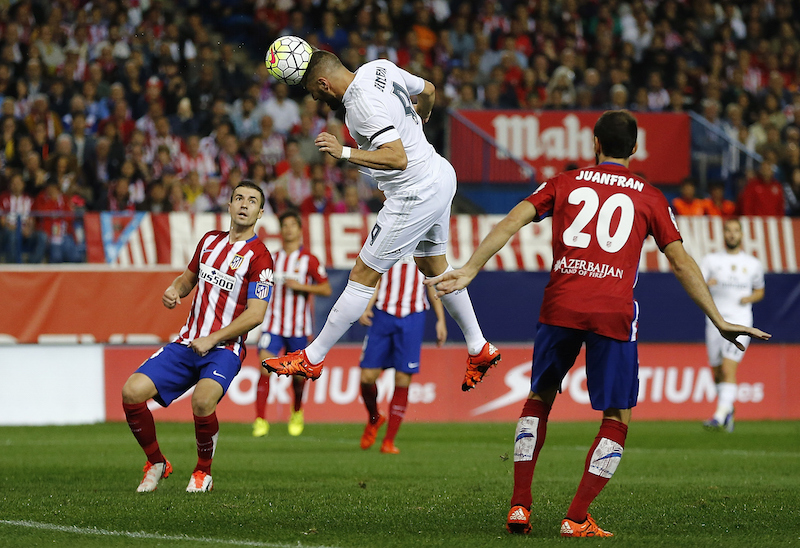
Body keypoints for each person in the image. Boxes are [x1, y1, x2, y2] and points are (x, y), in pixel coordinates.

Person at [426, 111, 771, 537]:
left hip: (561, 305)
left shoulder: (564, 182)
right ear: (635, 149)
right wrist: (718, 319)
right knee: (618, 413)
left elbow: (513, 219)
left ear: (594, 143)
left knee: (539, 397)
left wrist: (470, 268)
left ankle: (519, 506)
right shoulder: (650, 197)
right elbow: (681, 261)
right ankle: (576, 518)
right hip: (612, 311)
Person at [262, 50, 500, 391]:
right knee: (433, 266)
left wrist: (343, 152)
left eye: (314, 92)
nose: (315, 99)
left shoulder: (359, 105)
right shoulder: (379, 67)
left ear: (324, 84)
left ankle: (312, 358)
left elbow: (397, 158)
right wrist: (421, 116)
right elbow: (429, 90)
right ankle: (478, 347)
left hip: (414, 191)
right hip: (439, 172)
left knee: (363, 274)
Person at [121, 181, 274, 493]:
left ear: (260, 213)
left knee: (202, 401)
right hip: (187, 342)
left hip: (224, 349)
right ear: (229, 206)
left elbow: (256, 314)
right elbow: (187, 279)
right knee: (131, 392)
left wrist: (213, 339)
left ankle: (203, 471)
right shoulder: (209, 241)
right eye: (239, 198)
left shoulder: (260, 258)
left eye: (252, 201)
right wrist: (174, 290)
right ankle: (156, 462)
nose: (244, 205)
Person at [357, 255, 447, 454]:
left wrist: (440, 320)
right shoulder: (389, 242)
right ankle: (374, 417)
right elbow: (376, 277)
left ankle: (388, 441)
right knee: (367, 377)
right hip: (382, 313)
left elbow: (432, 283)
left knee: (403, 377)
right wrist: (367, 307)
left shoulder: (424, 247)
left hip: (413, 316)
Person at [253, 210, 331, 438]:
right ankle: (260, 420)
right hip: (273, 325)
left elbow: (326, 288)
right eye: (284, 225)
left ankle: (296, 411)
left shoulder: (309, 259)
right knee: (264, 366)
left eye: (292, 225)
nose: (288, 229)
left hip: (298, 327)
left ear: (299, 230)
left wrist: (301, 287)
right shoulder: (271, 258)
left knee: (298, 375)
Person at [700, 218, 765, 432]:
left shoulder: (753, 264)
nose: (732, 234)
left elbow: (759, 291)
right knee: (717, 371)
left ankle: (719, 416)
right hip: (715, 321)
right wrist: (707, 284)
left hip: (740, 322)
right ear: (723, 234)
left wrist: (749, 298)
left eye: (736, 230)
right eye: (728, 230)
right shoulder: (711, 260)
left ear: (741, 234)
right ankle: (728, 411)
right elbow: (697, 284)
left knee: (729, 367)